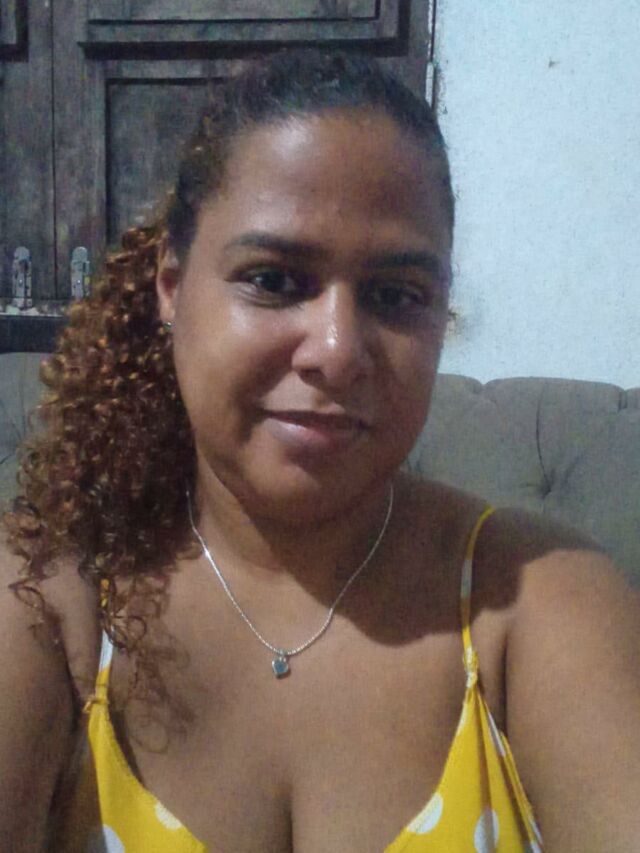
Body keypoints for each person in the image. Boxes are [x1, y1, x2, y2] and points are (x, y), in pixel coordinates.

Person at [1, 49, 638, 853]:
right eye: (273, 280)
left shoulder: (532, 601)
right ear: (171, 285)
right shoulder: (46, 598)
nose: (337, 352)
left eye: (395, 294)